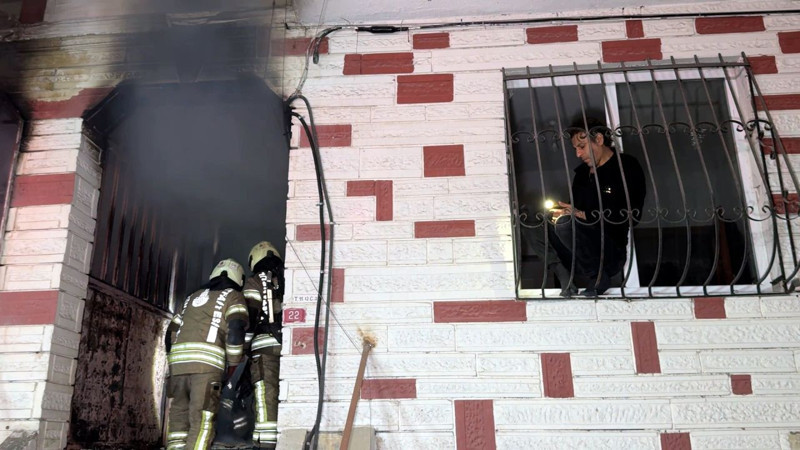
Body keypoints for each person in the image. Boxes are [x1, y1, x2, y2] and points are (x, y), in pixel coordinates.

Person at [526, 116, 646, 296]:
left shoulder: (626, 166)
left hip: (609, 249)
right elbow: (574, 211)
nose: (578, 154)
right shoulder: (582, 174)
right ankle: (563, 274)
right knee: (531, 221)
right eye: (575, 149)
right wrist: (560, 213)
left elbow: (631, 216)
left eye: (581, 147)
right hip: (578, 250)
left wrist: (581, 215)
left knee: (566, 223)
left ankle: (598, 277)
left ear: (598, 139)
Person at [165, 259, 249, 450]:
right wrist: (234, 364)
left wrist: (172, 360)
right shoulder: (234, 296)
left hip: (178, 368)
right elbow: (235, 330)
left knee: (178, 418)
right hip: (206, 368)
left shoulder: (191, 297)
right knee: (201, 420)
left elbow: (171, 331)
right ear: (239, 279)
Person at [243, 241, 284, 448]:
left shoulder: (254, 281)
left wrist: (243, 348)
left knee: (265, 397)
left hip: (263, 351)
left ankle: (266, 445)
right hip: (285, 347)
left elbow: (249, 315)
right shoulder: (286, 277)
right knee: (280, 396)